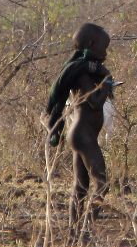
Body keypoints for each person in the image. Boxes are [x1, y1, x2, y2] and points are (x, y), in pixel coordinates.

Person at [45, 23, 115, 235]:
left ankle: (74, 232)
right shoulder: (83, 75)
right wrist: (106, 87)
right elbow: (93, 102)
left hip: (81, 135)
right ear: (92, 45)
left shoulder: (86, 71)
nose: (106, 53)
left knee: (81, 186)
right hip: (83, 135)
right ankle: (86, 227)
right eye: (104, 47)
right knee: (102, 183)